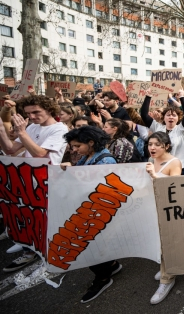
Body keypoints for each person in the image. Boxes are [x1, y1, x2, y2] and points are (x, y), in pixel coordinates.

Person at [0, 95, 69, 272]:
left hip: (46, 181)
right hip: (26, 179)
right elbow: (10, 149)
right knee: (26, 215)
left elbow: (39, 154)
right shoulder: (31, 127)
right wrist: (1, 128)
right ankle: (29, 251)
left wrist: (22, 133)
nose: (32, 116)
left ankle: (50, 252)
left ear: (49, 109)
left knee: (44, 219)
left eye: (36, 112)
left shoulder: (59, 129)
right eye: (28, 113)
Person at [60, 126, 121, 303]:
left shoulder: (105, 161)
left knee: (88, 248)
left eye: (77, 146)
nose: (74, 150)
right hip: (88, 210)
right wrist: (69, 169)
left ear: (91, 142)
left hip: (97, 212)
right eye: (72, 147)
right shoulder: (87, 157)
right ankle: (112, 265)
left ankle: (102, 278)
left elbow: (101, 190)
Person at [145, 132, 182, 304]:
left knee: (167, 243)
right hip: (153, 207)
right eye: (150, 144)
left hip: (168, 209)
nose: (152, 148)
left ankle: (167, 279)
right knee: (160, 242)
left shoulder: (174, 162)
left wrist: (154, 175)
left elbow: (174, 188)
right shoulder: (151, 160)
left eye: (157, 144)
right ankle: (167, 266)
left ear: (166, 146)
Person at [141, 89, 184, 173]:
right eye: (168, 115)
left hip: (181, 167)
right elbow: (144, 114)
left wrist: (182, 97)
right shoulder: (158, 127)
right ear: (164, 117)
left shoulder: (181, 129)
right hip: (162, 167)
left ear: (178, 118)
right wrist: (148, 96)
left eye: (174, 115)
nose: (171, 117)